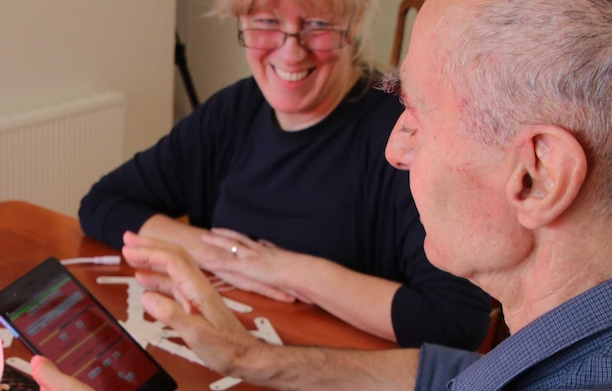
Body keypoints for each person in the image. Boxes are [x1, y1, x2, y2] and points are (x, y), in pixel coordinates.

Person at [32, 0, 612, 391]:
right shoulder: (569, 373)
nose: (396, 147)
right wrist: (251, 356)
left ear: (538, 175)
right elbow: (455, 390)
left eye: (419, 114)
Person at [78, 0, 492, 349]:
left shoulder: (403, 138)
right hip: (232, 359)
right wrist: (221, 256)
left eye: (316, 25)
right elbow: (103, 204)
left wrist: (287, 270)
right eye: (268, 23)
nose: (290, 52)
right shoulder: (232, 112)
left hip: (346, 390)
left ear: (353, 27)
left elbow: (454, 324)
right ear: (241, 22)